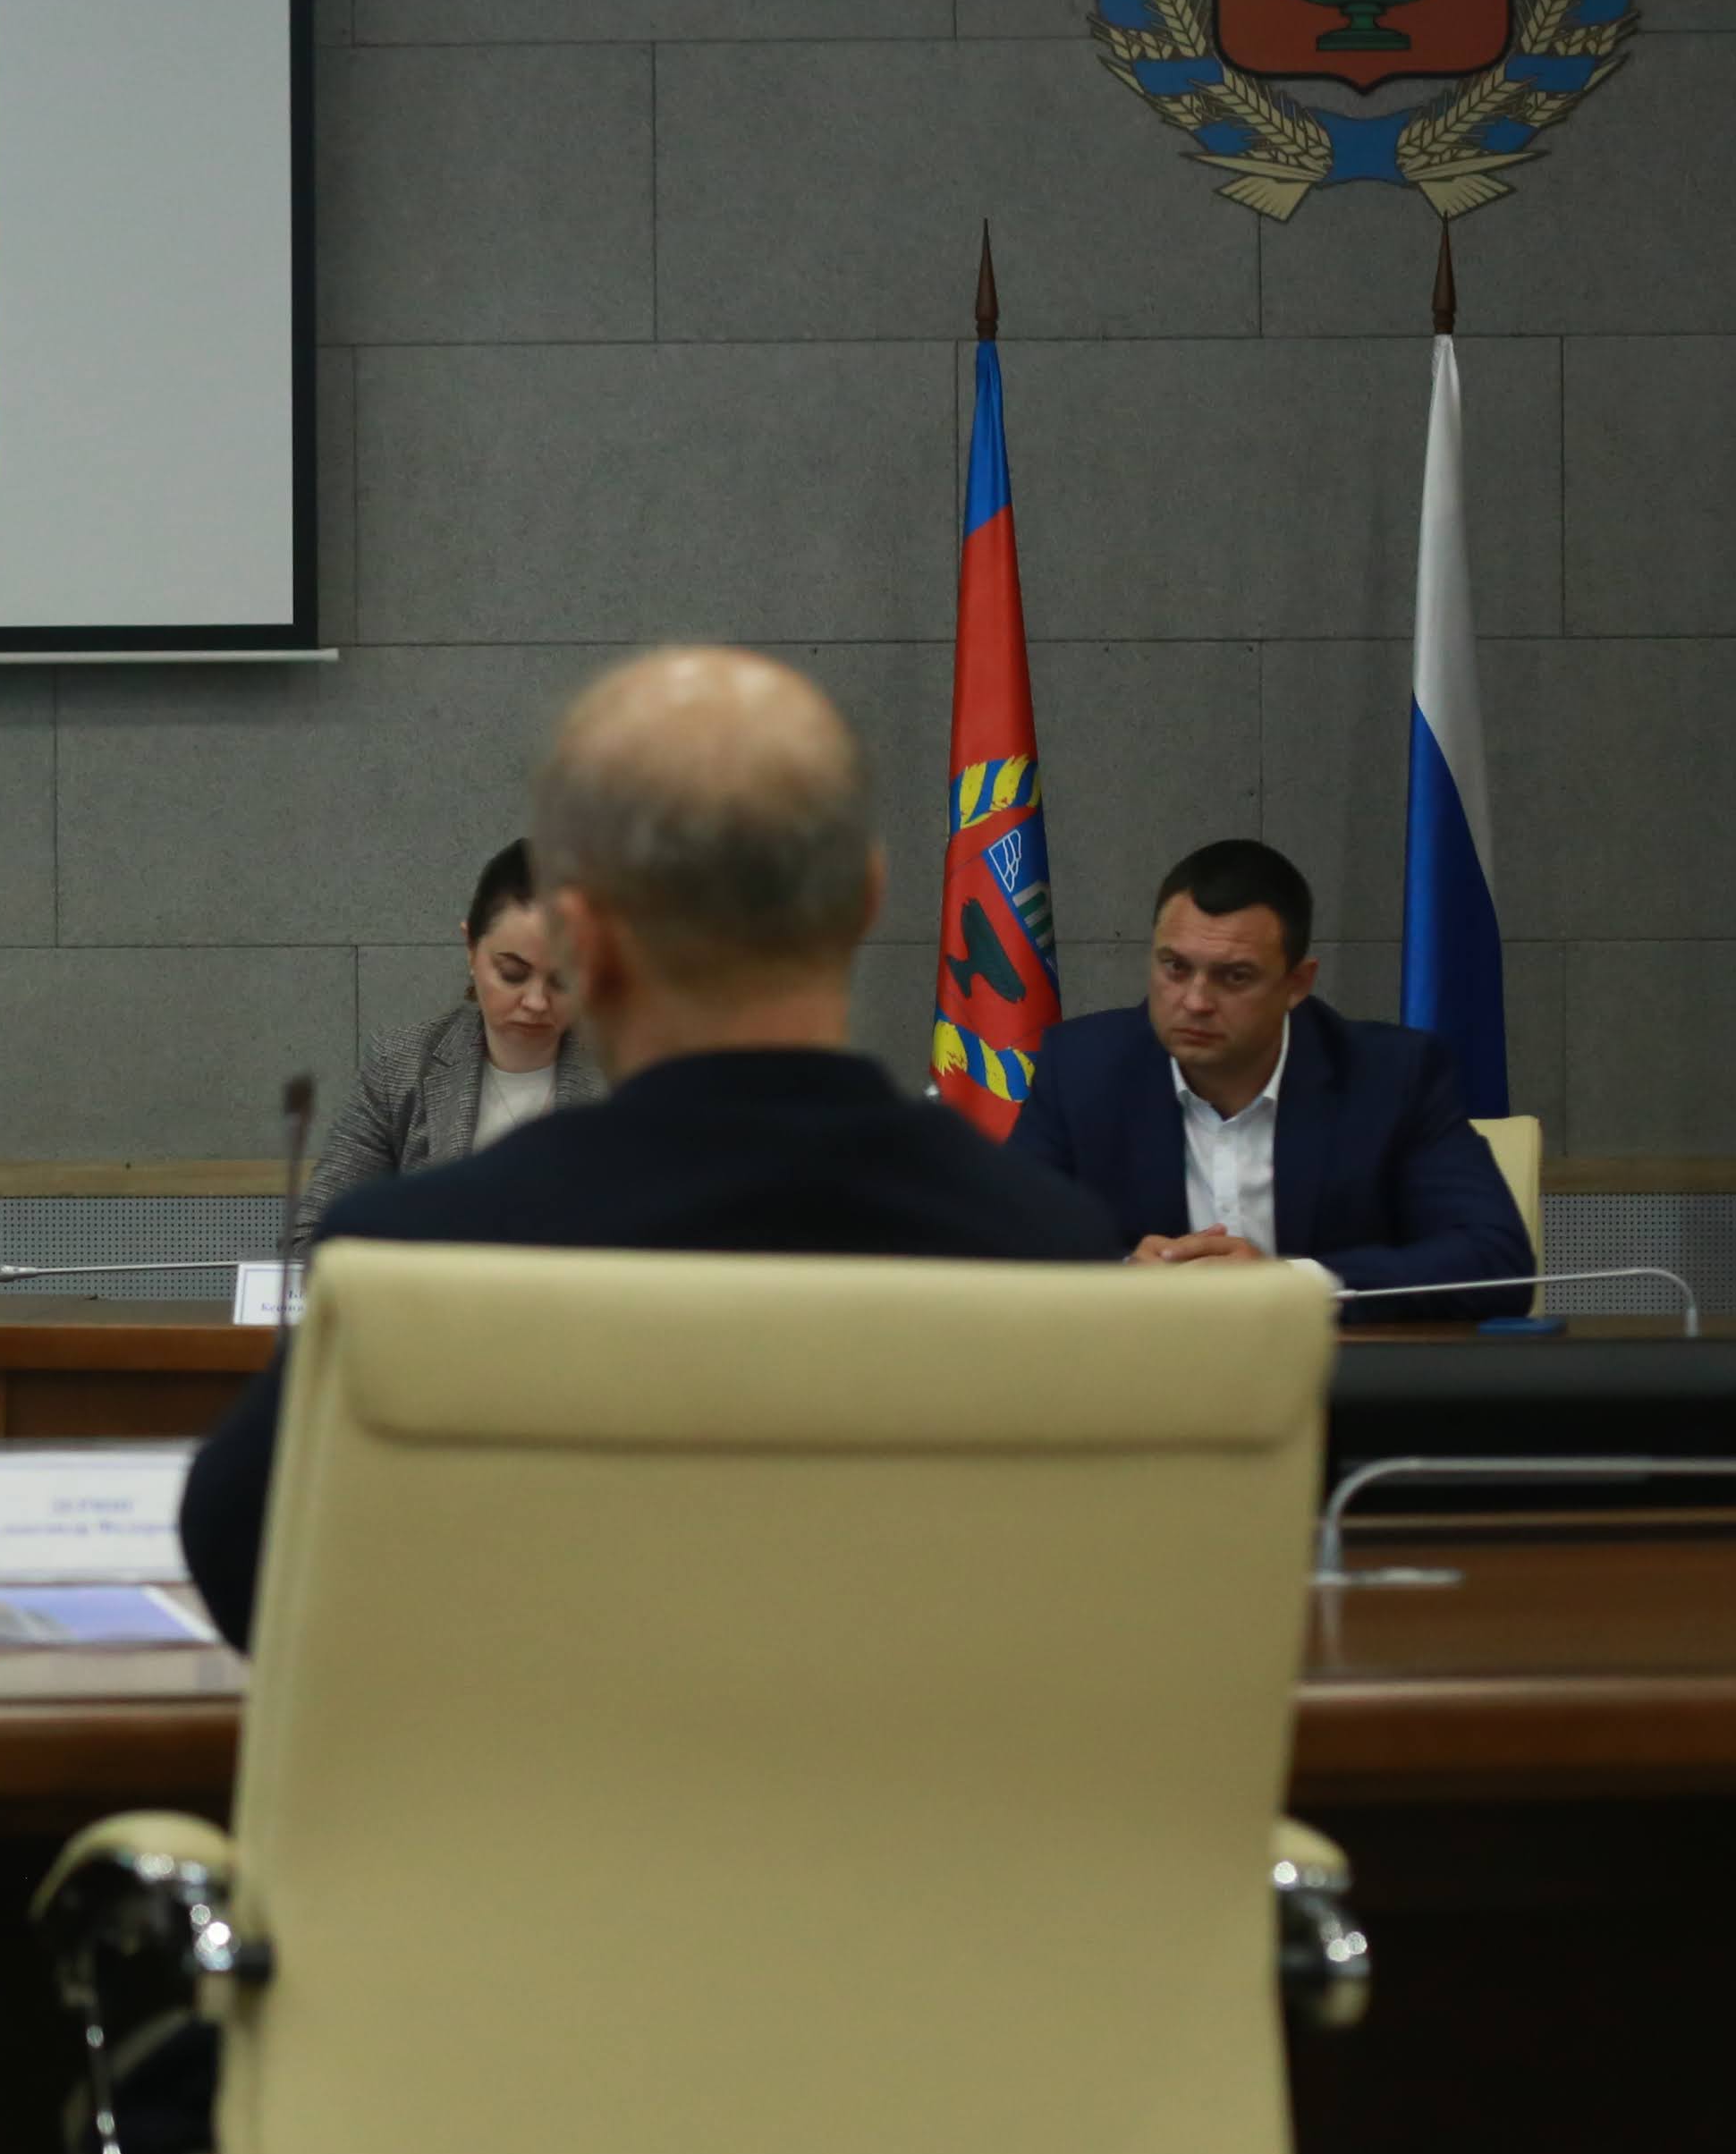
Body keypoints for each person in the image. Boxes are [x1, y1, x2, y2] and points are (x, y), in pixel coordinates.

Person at [182, 649, 1119, 1650]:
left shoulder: (405, 1263)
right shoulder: (1050, 1248)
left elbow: (251, 1567)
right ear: (868, 895)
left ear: (581, 939)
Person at [1009, 838, 1533, 1312]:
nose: (1195, 1001)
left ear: (1297, 983)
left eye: (1234, 976)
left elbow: (1497, 1262)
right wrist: (1120, 1276)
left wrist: (1292, 1283)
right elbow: (999, 1247)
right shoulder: (1081, 1070)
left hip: (1334, 1377)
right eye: (1175, 968)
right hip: (1142, 1379)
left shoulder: (1392, 1077)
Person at [288, 837, 604, 1255]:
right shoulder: (399, 1067)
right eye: (512, 973)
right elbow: (312, 1240)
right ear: (471, 949)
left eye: (563, 980)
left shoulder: (628, 1075)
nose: (535, 1002)